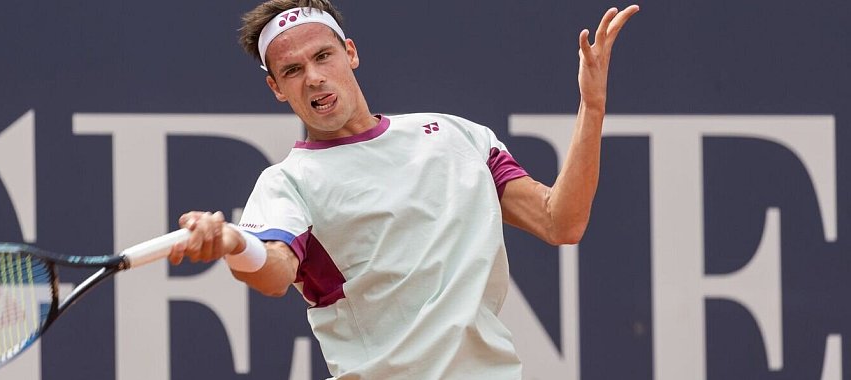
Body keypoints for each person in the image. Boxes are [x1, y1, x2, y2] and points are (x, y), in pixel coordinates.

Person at [168, 1, 639, 378]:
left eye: (323, 56)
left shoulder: (456, 135)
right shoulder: (288, 182)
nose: (313, 76)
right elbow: (273, 272)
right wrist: (234, 244)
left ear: (350, 53)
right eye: (291, 70)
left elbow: (562, 221)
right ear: (276, 87)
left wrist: (592, 106)